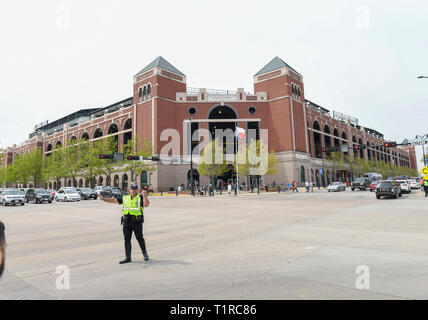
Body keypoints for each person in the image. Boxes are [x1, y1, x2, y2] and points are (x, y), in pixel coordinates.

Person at [99, 183, 150, 264]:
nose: (134, 190)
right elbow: (114, 200)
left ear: (137, 190)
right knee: (127, 240)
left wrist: (144, 195)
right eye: (133, 189)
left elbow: (146, 205)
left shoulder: (140, 197)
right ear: (130, 190)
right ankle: (128, 257)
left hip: (137, 222)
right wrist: (104, 199)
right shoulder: (125, 198)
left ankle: (145, 254)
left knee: (139, 238)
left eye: (136, 189)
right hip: (126, 222)